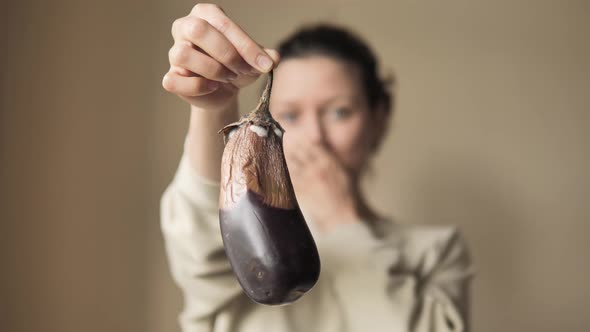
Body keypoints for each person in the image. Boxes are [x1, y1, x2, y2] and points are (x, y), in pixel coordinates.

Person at [160, 3, 474, 332]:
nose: (314, 137)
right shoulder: (233, 244)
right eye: (291, 115)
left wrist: (342, 218)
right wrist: (216, 104)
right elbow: (198, 233)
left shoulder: (436, 252)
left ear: (378, 119)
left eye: (339, 112)